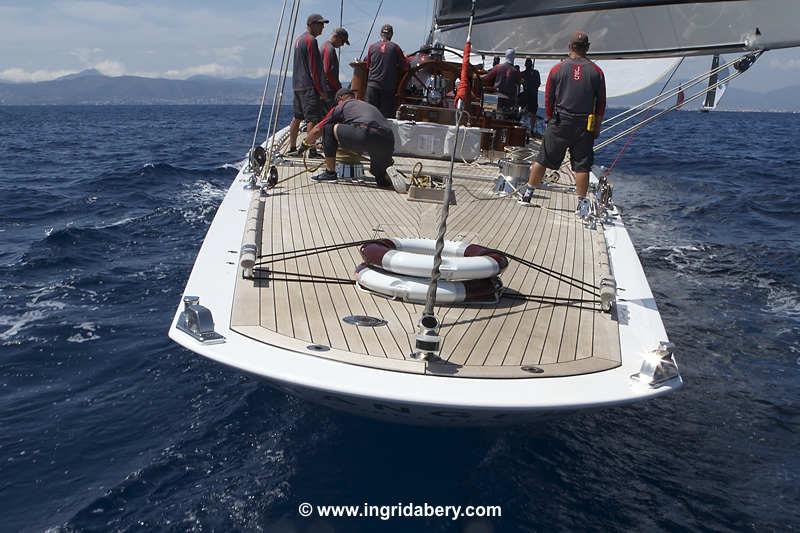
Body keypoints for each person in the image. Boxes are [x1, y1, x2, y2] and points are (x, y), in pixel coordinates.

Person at [519, 31, 606, 219]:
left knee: (543, 158)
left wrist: (550, 119)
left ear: (569, 47)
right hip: (584, 125)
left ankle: (527, 194)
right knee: (582, 166)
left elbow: (549, 97)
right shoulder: (597, 72)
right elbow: (601, 103)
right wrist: (597, 126)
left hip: (559, 122)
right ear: (588, 48)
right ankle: (581, 205)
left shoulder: (557, 69)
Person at [304, 88, 395, 187]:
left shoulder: (343, 105)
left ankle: (330, 173)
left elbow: (318, 129)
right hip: (388, 141)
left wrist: (304, 144)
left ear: (340, 98)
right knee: (378, 174)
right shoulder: (368, 106)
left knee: (328, 127)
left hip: (366, 134)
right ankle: (382, 176)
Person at [286, 13, 329, 158]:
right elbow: (314, 69)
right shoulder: (311, 41)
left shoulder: (298, 40)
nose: (323, 27)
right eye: (320, 24)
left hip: (297, 86)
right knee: (313, 119)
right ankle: (311, 151)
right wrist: (321, 90)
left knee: (297, 117)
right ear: (311, 24)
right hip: (309, 87)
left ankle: (292, 148)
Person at [365, 24, 410, 118]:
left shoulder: (372, 47)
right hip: (387, 88)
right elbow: (405, 67)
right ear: (391, 34)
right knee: (386, 118)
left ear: (381, 34)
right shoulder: (395, 48)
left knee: (370, 115)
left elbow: (368, 65)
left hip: (372, 86)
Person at [322, 27, 349, 105]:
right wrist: (337, 87)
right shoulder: (330, 49)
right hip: (329, 90)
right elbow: (327, 71)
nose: (342, 44)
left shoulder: (325, 46)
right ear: (336, 37)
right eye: (343, 41)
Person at [521, 58, 541, 125]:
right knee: (533, 114)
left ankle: (523, 125)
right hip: (533, 96)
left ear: (525, 65)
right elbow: (538, 84)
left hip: (526, 96)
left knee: (524, 111)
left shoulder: (523, 74)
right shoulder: (536, 72)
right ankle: (531, 129)